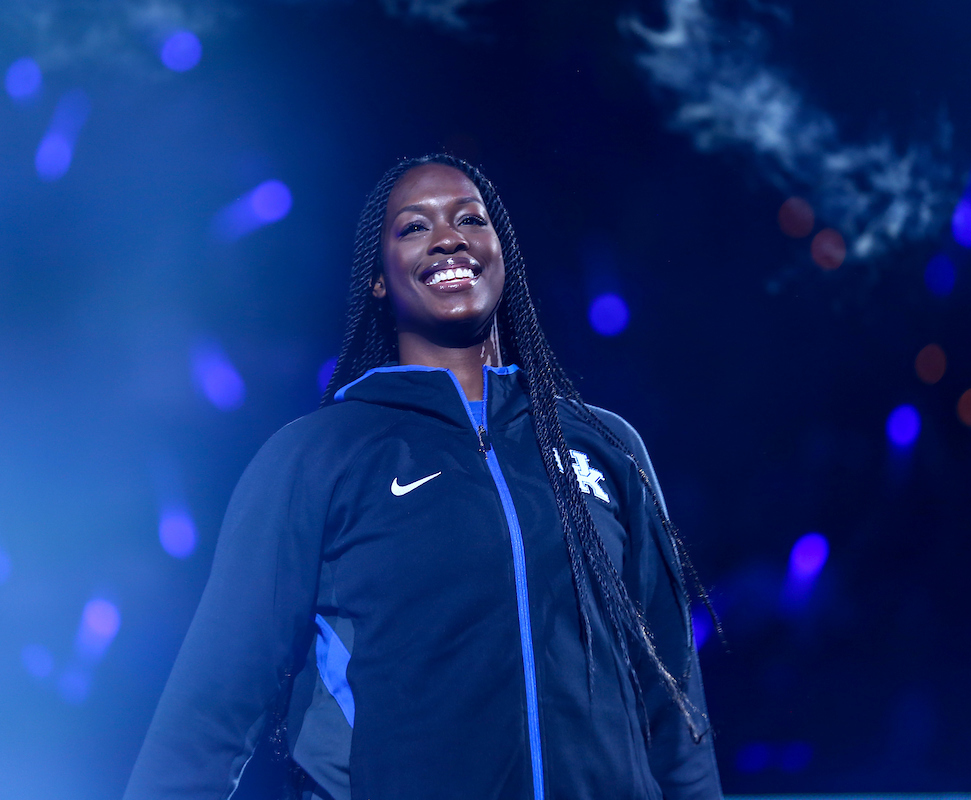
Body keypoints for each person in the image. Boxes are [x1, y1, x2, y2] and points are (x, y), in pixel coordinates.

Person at [123, 154, 722, 800]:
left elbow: (675, 698)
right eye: (414, 227)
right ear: (378, 279)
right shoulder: (318, 457)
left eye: (471, 219)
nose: (448, 237)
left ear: (501, 251)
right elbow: (210, 708)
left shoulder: (605, 446)